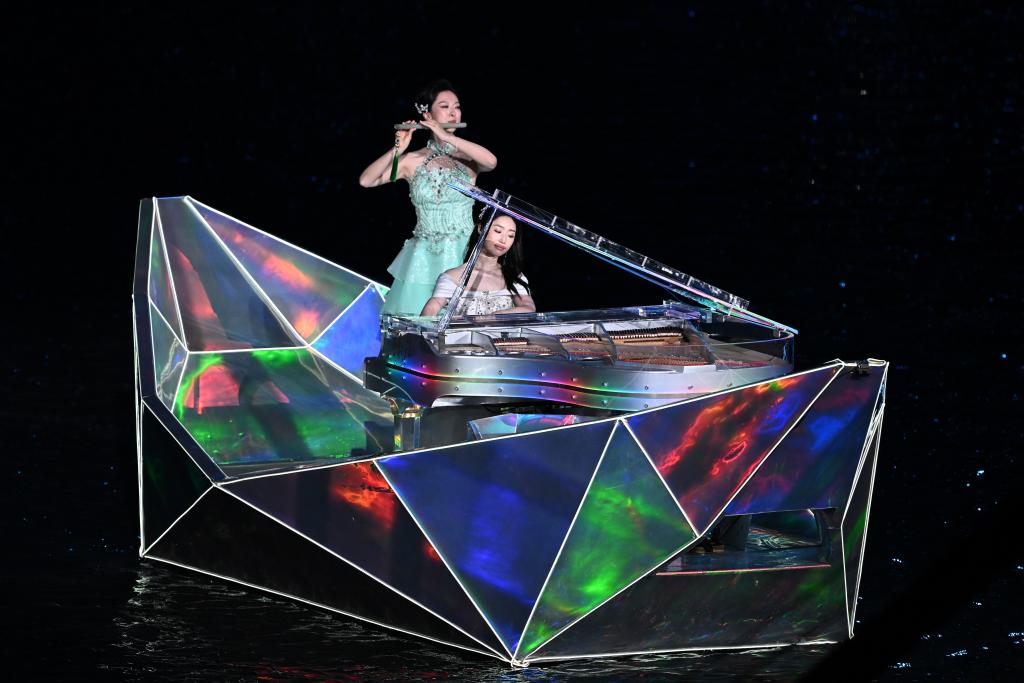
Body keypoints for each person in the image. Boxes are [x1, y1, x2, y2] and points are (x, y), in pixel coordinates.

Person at [358, 79, 498, 314]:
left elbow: (492, 162)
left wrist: (447, 136)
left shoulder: (468, 157)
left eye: (457, 107)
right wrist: (398, 149)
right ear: (427, 114)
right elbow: (366, 180)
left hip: (463, 253)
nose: (453, 113)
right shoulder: (411, 161)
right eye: (445, 106)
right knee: (417, 323)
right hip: (423, 258)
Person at [421, 214, 535, 317]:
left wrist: (495, 316)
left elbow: (528, 308)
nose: (503, 240)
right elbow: (430, 311)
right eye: (498, 231)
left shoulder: (513, 277)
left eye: (510, 235)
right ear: (481, 228)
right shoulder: (452, 277)